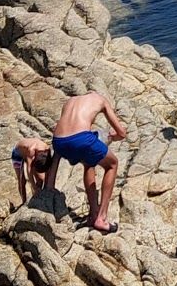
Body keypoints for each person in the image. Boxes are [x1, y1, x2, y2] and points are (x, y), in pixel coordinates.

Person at [42, 91, 127, 232]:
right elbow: (122, 133)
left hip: (58, 142)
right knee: (112, 164)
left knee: (89, 163)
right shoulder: (100, 99)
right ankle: (102, 218)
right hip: (82, 139)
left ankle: (93, 214)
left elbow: (63, 129)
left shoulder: (70, 101)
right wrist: (112, 137)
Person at [10, 135, 52, 204]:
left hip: (32, 154)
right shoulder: (31, 150)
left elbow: (48, 169)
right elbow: (29, 171)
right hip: (18, 153)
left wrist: (46, 186)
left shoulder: (47, 150)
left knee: (40, 179)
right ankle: (24, 201)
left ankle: (36, 197)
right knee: (22, 181)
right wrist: (34, 188)